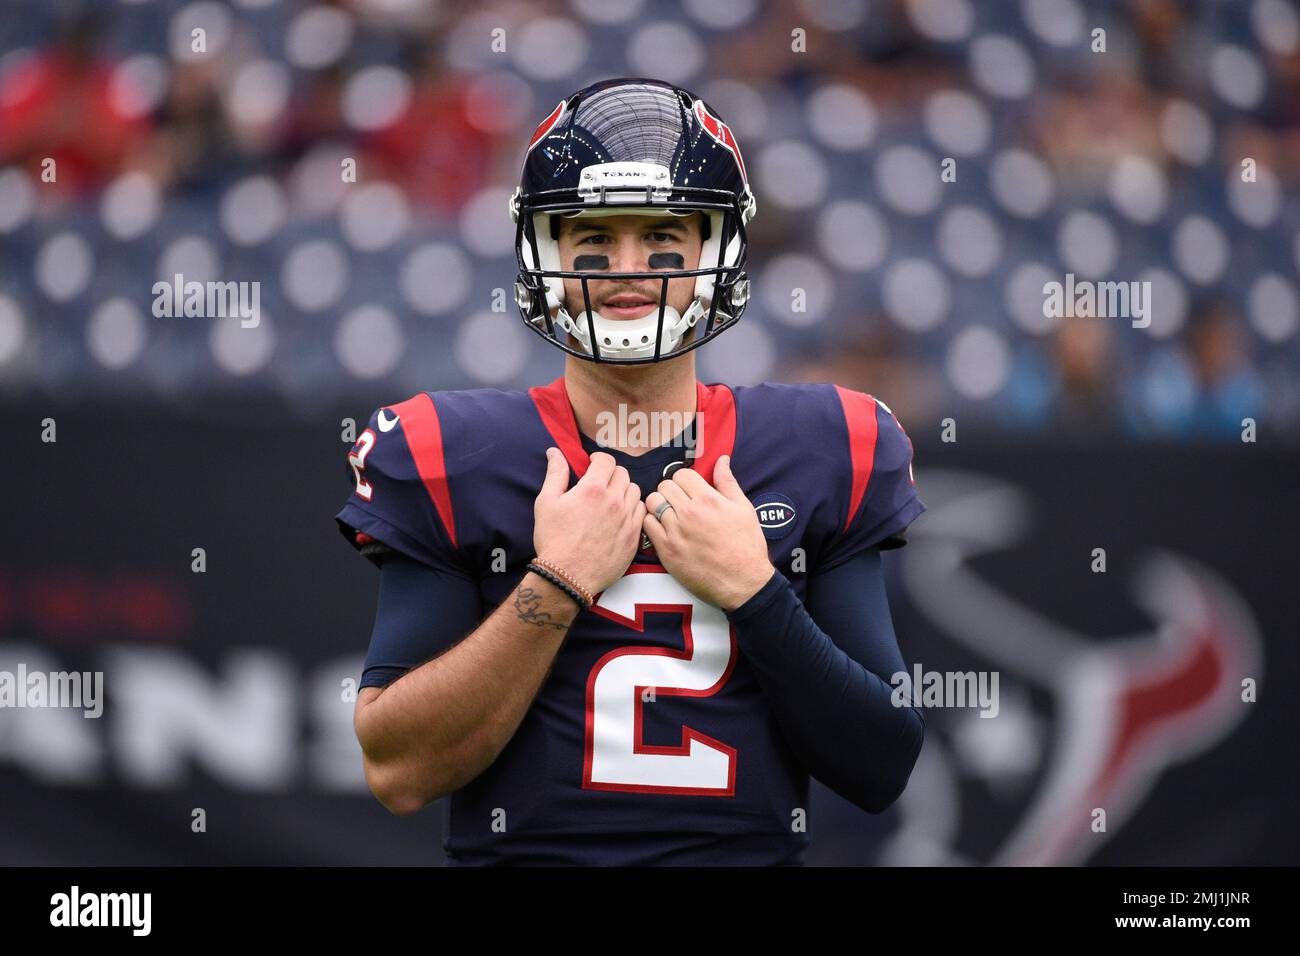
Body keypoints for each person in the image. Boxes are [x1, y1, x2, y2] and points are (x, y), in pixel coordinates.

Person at [336, 77, 926, 865]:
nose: (627, 269)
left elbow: (881, 764)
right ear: (542, 255)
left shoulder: (827, 443)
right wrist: (552, 587)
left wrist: (756, 595)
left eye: (662, 242)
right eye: (591, 243)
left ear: (717, 253)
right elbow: (399, 770)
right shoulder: (455, 452)